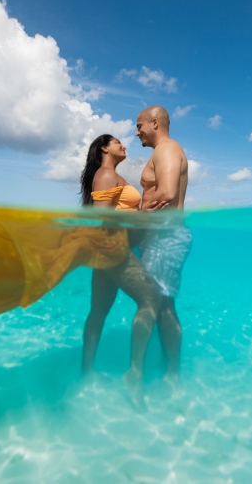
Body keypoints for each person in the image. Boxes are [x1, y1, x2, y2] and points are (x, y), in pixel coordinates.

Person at [79, 133, 164, 402]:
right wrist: (141, 216)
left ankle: (86, 371)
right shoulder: (105, 174)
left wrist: (139, 215)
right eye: (117, 142)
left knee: (98, 311)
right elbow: (103, 217)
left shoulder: (110, 175)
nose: (123, 145)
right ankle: (134, 372)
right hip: (113, 248)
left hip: (106, 250)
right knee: (152, 298)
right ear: (104, 148)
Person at [135, 105, 191, 383]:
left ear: (154, 123)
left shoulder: (166, 149)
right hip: (161, 238)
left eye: (139, 125)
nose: (137, 132)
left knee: (161, 305)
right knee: (159, 304)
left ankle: (172, 373)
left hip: (166, 238)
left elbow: (168, 192)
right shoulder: (166, 150)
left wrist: (139, 211)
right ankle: (167, 363)